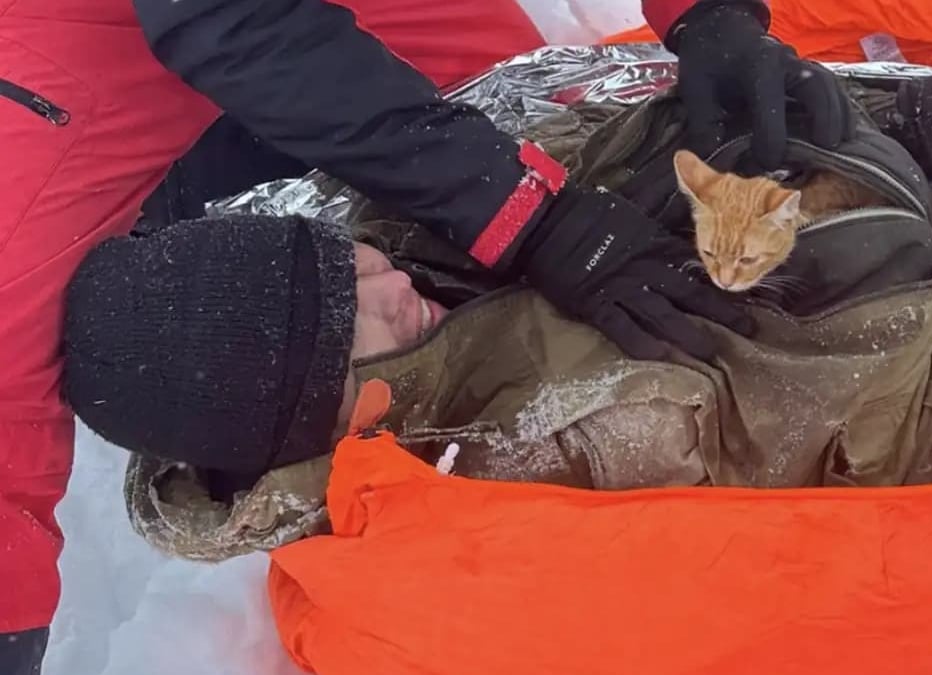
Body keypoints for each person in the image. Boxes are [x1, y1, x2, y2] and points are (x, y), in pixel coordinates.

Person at [0, 0, 855, 667]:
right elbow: (226, 18)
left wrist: (708, 15)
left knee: (529, 121)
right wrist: (527, 219)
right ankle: (204, 237)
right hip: (89, 32)